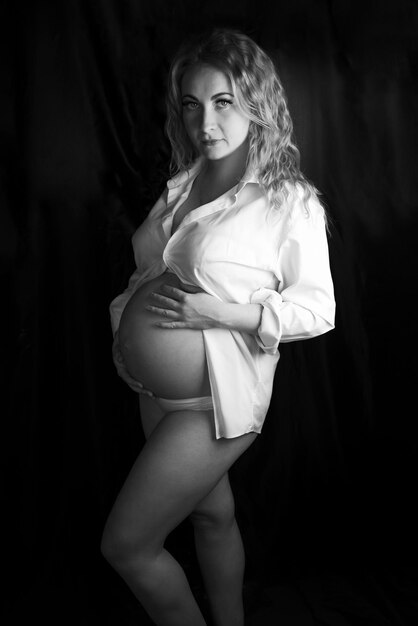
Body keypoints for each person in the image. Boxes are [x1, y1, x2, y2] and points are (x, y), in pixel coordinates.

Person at [101, 28, 335, 626]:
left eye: (223, 101)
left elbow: (317, 311)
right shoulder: (183, 184)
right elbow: (151, 270)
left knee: (127, 546)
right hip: (156, 390)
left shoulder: (289, 201)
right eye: (192, 103)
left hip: (215, 400)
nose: (206, 120)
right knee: (213, 516)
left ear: (255, 102)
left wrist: (221, 313)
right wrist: (128, 327)